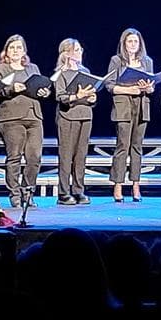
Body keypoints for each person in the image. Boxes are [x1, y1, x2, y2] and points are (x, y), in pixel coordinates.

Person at [0, 34, 50, 208]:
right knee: (14, 156)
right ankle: (15, 194)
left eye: (19, 48)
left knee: (34, 157)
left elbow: (41, 87)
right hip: (11, 118)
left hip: (34, 116)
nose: (15, 51)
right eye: (12, 47)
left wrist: (44, 92)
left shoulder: (32, 68)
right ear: (6, 51)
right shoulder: (0, 69)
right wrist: (11, 88)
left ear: (24, 51)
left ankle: (28, 192)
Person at [105, 28, 155, 202]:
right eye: (129, 41)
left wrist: (148, 88)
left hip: (141, 107)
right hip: (123, 107)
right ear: (124, 44)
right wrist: (130, 90)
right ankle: (118, 185)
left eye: (135, 41)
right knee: (122, 146)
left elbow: (152, 86)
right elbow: (109, 85)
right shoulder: (116, 60)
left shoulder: (147, 61)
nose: (133, 44)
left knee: (137, 147)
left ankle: (136, 185)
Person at [53, 38, 97, 205]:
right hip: (68, 116)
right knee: (66, 156)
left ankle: (79, 190)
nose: (80, 52)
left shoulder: (85, 71)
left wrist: (92, 98)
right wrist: (77, 96)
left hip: (85, 115)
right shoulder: (61, 73)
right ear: (67, 53)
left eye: (80, 49)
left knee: (81, 156)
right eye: (76, 50)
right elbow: (60, 97)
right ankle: (63, 193)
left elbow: (91, 92)